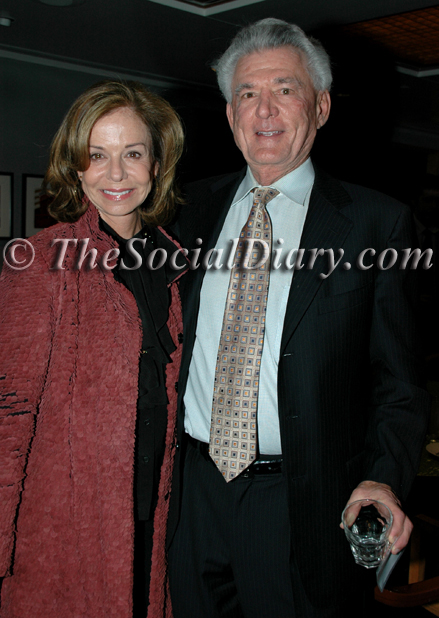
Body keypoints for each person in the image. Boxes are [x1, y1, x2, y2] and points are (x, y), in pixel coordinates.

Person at [166, 18, 430, 618]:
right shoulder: (185, 212)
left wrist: (384, 477)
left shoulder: (376, 224)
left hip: (302, 504)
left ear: (321, 106)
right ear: (230, 114)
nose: (265, 109)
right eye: (248, 93)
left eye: (285, 89)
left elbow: (400, 383)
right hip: (192, 495)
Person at [0, 80, 186, 618]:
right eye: (97, 155)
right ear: (76, 168)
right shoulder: (39, 260)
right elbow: (8, 415)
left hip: (159, 519)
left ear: (157, 163)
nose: (116, 174)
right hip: (65, 529)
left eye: (133, 154)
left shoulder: (178, 264)